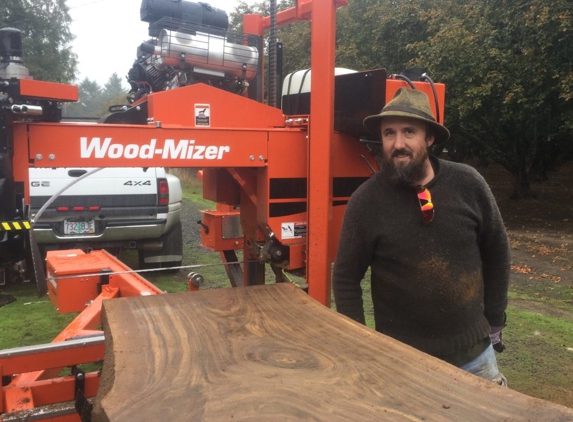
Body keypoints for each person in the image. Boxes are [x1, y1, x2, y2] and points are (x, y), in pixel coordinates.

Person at [332, 87, 510, 385]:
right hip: (401, 364)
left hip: (474, 358)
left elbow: (497, 251)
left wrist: (495, 319)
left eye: (409, 132)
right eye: (389, 133)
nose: (398, 143)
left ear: (429, 138)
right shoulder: (365, 201)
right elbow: (346, 278)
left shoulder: (468, 183)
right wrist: (359, 342)